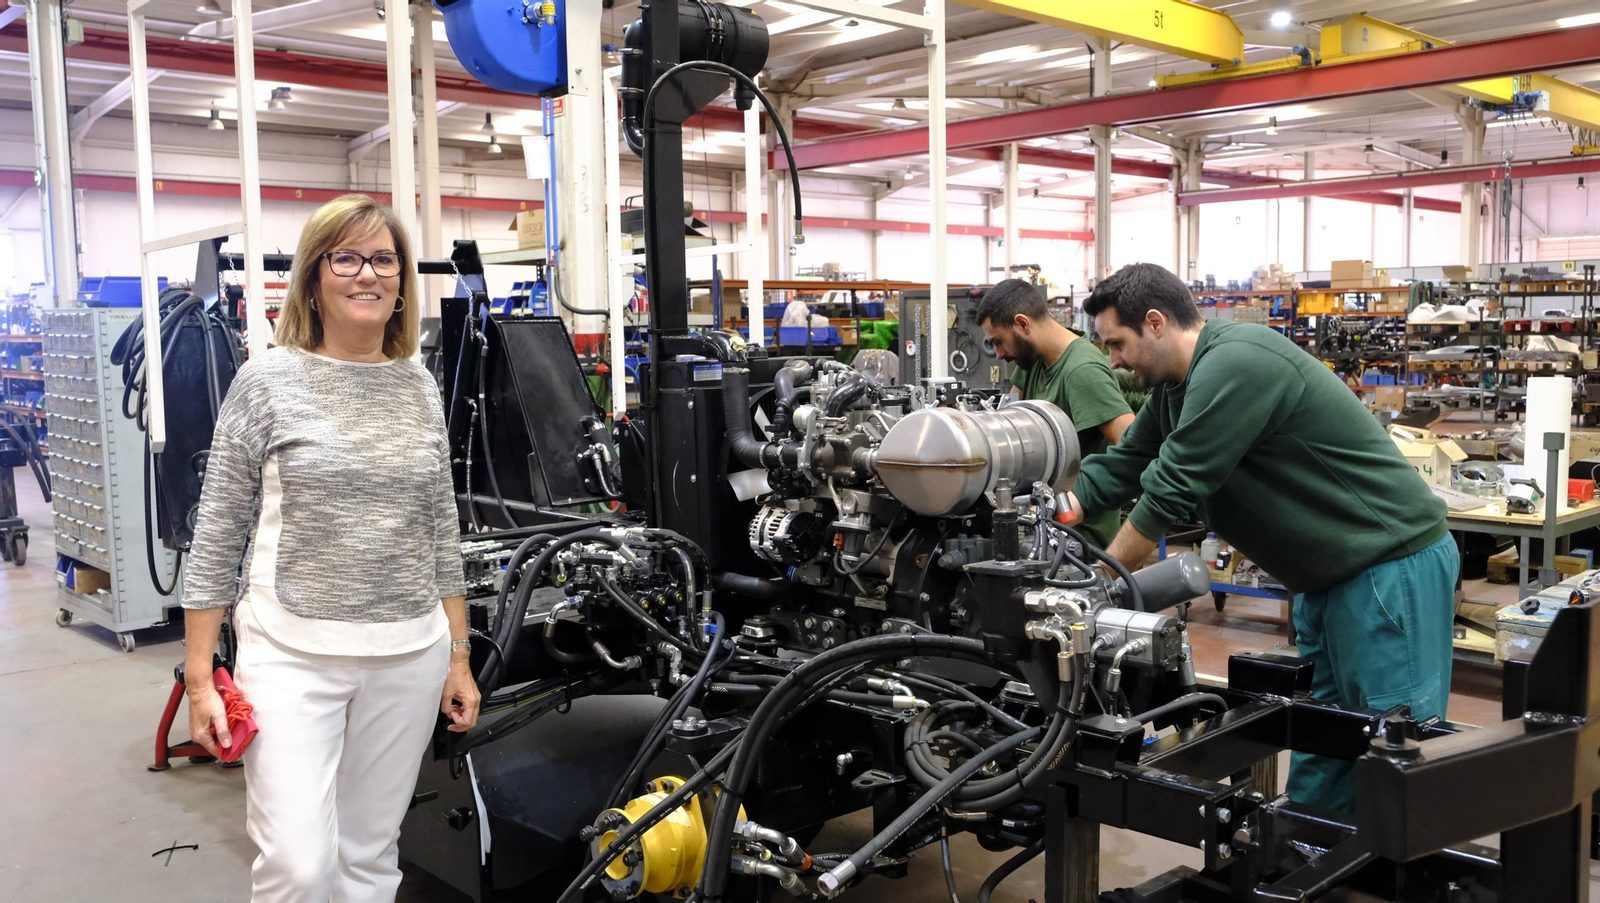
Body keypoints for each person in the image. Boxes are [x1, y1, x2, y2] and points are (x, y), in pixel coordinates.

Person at [1059, 263, 1457, 813]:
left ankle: (1403, 874)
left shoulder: (1236, 362)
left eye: (1117, 344)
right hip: (1326, 580)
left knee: (1396, 743)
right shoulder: (1177, 389)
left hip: (1387, 568)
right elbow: (1127, 461)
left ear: (1155, 323)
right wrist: (1059, 507)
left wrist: (1101, 581)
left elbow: (1172, 488)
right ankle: (1311, 859)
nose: (1114, 360)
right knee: (1328, 736)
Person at [181, 193, 480, 901]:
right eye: (345, 257)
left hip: (409, 652)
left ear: (403, 278)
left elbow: (441, 526)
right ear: (314, 276)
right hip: (291, 651)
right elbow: (218, 527)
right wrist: (199, 677)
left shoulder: (418, 385)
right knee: (299, 863)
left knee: (371, 857)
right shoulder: (267, 380)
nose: (366, 273)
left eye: (383, 258)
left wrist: (458, 655)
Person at [978, 278, 1135, 547]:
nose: (1000, 354)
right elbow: (1005, 425)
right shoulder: (1031, 361)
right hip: (1036, 528)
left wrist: (1081, 498)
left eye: (1000, 342)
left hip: (1078, 540)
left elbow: (1134, 447)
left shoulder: (1082, 371)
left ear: (1023, 324)